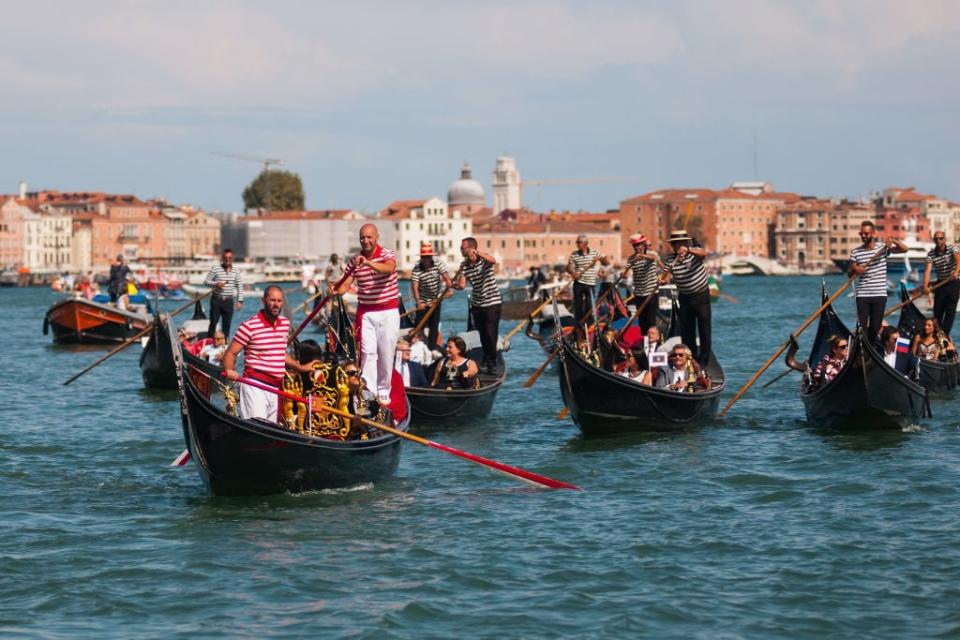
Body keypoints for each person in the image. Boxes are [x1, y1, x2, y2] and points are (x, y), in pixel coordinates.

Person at [222, 286, 318, 422]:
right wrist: (229, 370)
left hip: (275, 388)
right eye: (272, 300)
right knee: (258, 427)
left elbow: (279, 353)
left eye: (279, 301)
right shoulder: (249, 326)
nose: (276, 304)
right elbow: (230, 353)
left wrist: (300, 368)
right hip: (255, 385)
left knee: (271, 431)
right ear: (263, 301)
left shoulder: (285, 324)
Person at [329, 223, 400, 407]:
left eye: (369, 237)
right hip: (367, 312)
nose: (365, 241)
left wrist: (368, 263)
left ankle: (384, 390)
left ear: (376, 237)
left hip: (388, 311)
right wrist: (337, 290)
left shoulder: (387, 255)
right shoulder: (354, 261)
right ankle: (369, 391)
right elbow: (346, 283)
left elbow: (389, 269)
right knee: (367, 353)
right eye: (362, 237)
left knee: (386, 352)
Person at [848, 221, 907, 344]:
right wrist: (856, 268)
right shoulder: (856, 252)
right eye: (861, 233)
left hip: (879, 294)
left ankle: (872, 348)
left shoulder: (883, 248)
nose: (863, 236)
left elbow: (904, 249)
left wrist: (894, 240)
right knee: (862, 328)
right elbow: (850, 272)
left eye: (866, 233)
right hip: (863, 295)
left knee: (875, 327)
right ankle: (863, 349)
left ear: (873, 233)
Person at [661, 230, 712, 367]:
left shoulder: (694, 253)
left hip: (701, 296)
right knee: (687, 332)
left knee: (704, 329)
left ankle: (704, 361)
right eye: (674, 245)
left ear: (684, 243)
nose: (676, 247)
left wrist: (688, 250)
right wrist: (662, 280)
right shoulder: (671, 260)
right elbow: (663, 276)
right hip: (684, 298)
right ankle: (692, 359)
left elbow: (704, 254)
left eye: (678, 244)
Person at [454, 237, 502, 374]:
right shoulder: (464, 266)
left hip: (492, 302)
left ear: (470, 248)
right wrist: (452, 285)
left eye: (463, 247)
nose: (461, 250)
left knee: (490, 332)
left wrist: (477, 252)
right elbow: (462, 286)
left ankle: (491, 362)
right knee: (482, 333)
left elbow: (494, 260)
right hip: (477, 304)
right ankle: (487, 358)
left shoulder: (484, 261)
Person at [410, 243, 452, 352]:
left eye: (428, 257)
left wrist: (449, 287)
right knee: (419, 325)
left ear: (431, 257)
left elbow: (446, 277)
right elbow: (415, 286)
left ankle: (432, 349)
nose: (426, 259)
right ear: (421, 257)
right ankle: (416, 347)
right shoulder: (417, 268)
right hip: (423, 300)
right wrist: (418, 302)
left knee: (434, 325)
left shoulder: (438, 263)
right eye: (424, 257)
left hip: (436, 300)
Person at [923, 231, 960, 338]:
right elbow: (927, 271)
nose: (938, 241)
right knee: (937, 311)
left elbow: (959, 260)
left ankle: (945, 335)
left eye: (941, 238)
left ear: (944, 239)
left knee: (950, 311)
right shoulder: (931, 254)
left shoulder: (953, 249)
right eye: (936, 239)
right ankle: (937, 334)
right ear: (934, 240)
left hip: (953, 282)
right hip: (941, 284)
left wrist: (956, 271)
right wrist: (925, 286)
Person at [566, 234, 610, 325]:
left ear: (585, 243)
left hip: (590, 283)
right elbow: (569, 267)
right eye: (577, 242)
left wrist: (601, 259)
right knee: (577, 304)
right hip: (578, 282)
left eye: (579, 242)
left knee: (589, 305)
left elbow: (606, 262)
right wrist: (573, 273)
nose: (577, 244)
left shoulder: (594, 252)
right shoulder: (574, 254)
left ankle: (589, 323)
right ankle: (579, 323)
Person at [204, 248, 244, 339]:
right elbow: (206, 282)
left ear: (232, 258)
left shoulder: (236, 271)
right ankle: (209, 342)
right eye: (226, 258)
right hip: (216, 300)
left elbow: (239, 286)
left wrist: (240, 301)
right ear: (222, 258)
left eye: (229, 258)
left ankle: (224, 345)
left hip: (228, 301)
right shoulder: (215, 269)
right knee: (213, 323)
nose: (227, 260)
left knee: (227, 325)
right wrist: (216, 284)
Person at [626, 233, 661, 332]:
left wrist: (642, 256)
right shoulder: (631, 259)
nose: (637, 247)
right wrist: (624, 274)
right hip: (639, 295)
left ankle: (653, 343)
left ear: (644, 244)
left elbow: (654, 258)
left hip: (651, 293)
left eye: (638, 245)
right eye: (635, 245)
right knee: (642, 322)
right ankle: (644, 344)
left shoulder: (652, 254)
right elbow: (627, 272)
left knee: (651, 322)